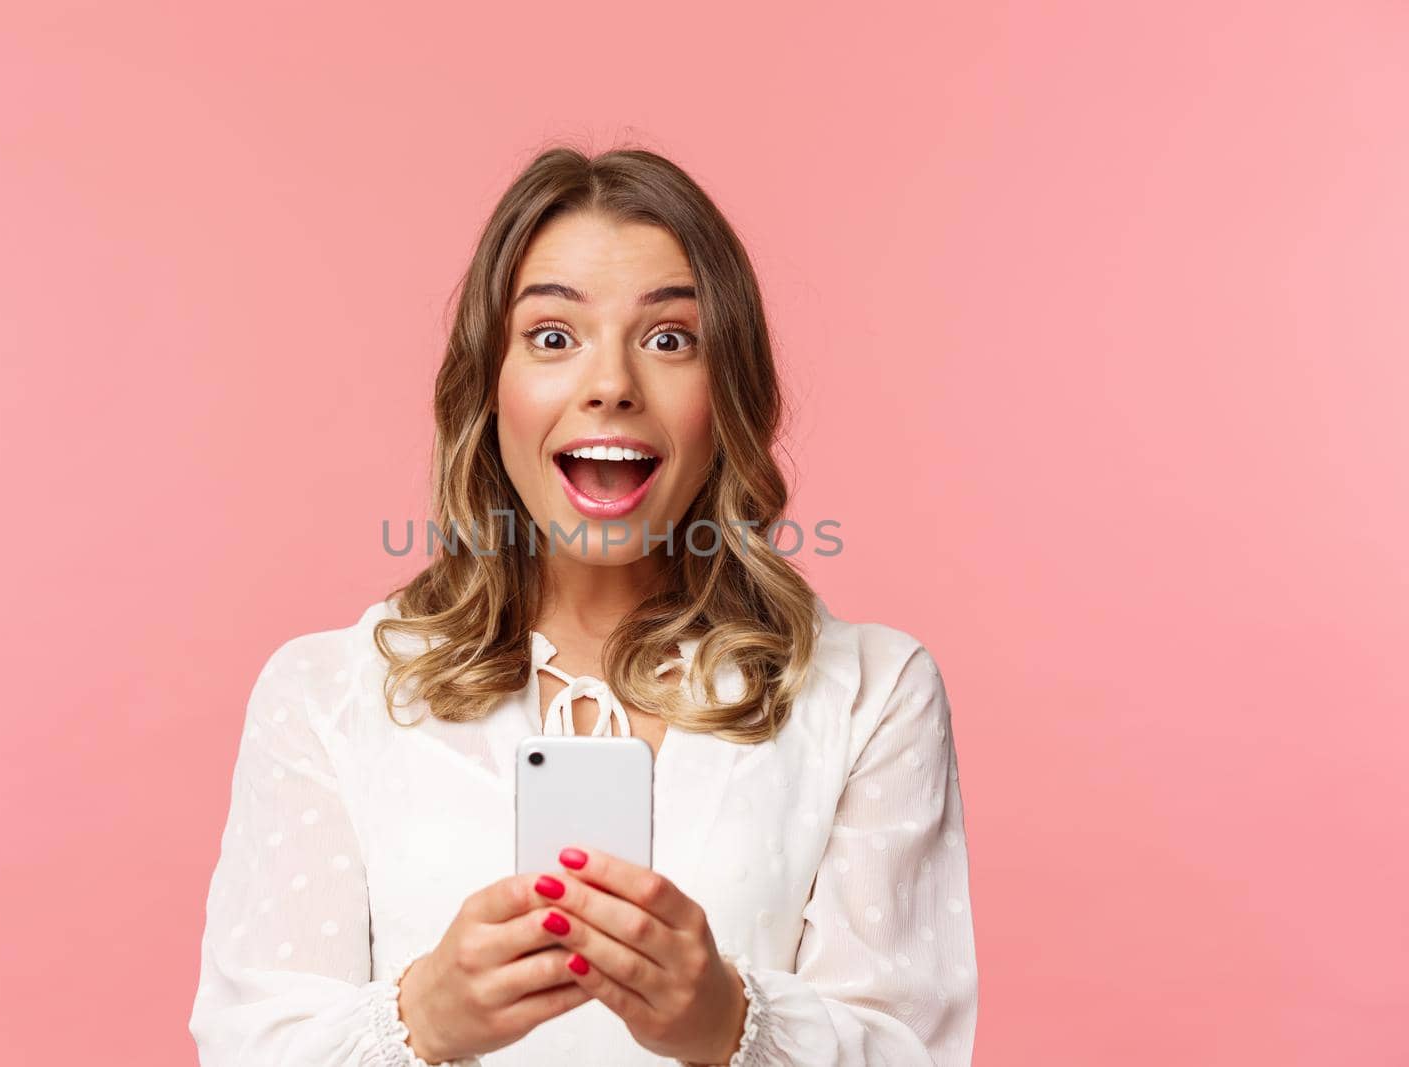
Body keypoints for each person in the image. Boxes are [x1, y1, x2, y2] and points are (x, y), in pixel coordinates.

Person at [188, 146, 979, 1066]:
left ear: (729, 393)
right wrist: (422, 1019)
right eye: (554, 337)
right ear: (489, 388)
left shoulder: (868, 693)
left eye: (670, 337)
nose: (611, 384)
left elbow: (910, 1049)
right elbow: (248, 1046)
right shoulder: (327, 694)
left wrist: (729, 1023)